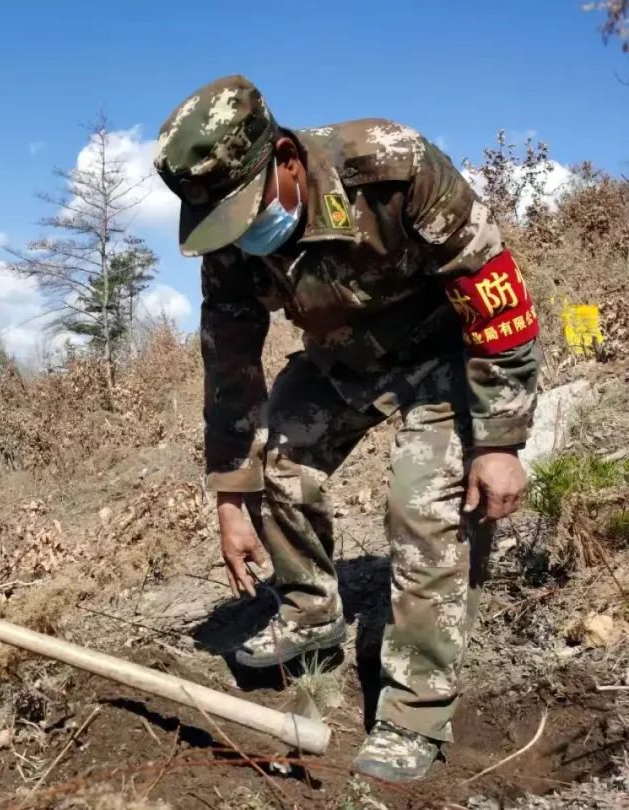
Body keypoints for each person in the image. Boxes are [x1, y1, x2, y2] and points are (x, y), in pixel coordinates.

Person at [153, 75, 539, 782]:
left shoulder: (392, 165)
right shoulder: (229, 239)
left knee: (422, 511)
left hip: (444, 356)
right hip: (347, 362)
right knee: (277, 461)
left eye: (249, 208)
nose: (241, 234)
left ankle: (417, 711)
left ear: (289, 159)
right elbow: (230, 367)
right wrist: (230, 497)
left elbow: (494, 291)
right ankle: (311, 612)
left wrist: (500, 440)